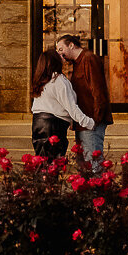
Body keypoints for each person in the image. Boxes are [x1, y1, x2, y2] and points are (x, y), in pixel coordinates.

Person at [55, 32, 112, 163]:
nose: (60, 54)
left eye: (61, 49)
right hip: (83, 121)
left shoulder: (88, 59)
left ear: (71, 45)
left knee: (92, 163)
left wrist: (95, 121)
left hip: (91, 121)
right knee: (85, 164)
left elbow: (98, 91)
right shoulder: (76, 63)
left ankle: (97, 184)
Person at [30, 47, 95, 160]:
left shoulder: (42, 80)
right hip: (53, 126)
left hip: (38, 124)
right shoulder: (58, 80)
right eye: (59, 56)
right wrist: (89, 122)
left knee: (43, 166)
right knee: (52, 167)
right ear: (55, 62)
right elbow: (71, 107)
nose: (63, 58)